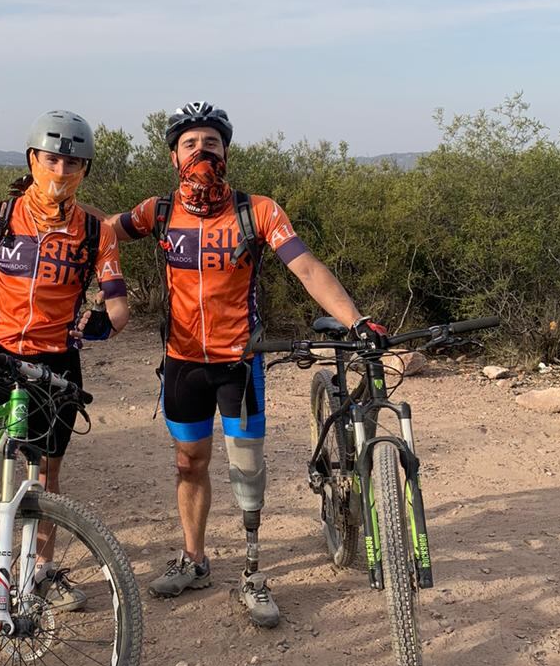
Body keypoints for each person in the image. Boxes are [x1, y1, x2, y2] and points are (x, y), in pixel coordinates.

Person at [109, 100, 386, 627]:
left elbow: (305, 266)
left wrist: (356, 319)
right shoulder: (158, 212)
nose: (201, 152)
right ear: (173, 157)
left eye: (211, 142)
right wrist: (102, 284)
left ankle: (254, 571)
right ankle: (195, 560)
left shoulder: (257, 210)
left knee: (247, 469)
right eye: (190, 143)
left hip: (240, 363)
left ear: (226, 152)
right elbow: (96, 232)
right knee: (189, 463)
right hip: (182, 363)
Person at [0, 109, 129, 610]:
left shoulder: (97, 231)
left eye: (73, 163)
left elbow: (119, 302)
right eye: (52, 159)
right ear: (32, 159)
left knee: (44, 472)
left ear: (86, 170)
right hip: (3, 351)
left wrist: (106, 322)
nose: (61, 172)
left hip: (55, 362)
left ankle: (40, 568)